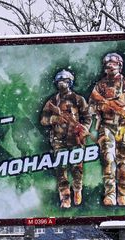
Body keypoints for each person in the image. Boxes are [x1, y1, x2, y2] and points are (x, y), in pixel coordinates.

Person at [89, 52, 125, 206]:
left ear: (120, 65)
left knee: (123, 161)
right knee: (108, 158)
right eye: (108, 63)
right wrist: (103, 105)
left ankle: (122, 194)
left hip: (124, 126)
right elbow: (91, 106)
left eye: (113, 63)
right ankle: (110, 194)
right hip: (106, 126)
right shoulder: (100, 86)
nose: (110, 65)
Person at [40, 69, 92, 208]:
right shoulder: (52, 101)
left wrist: (83, 129)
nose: (62, 84)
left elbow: (87, 117)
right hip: (59, 140)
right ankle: (65, 197)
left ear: (70, 82)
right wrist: (55, 118)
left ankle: (77, 191)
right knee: (61, 170)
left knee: (77, 169)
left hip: (76, 139)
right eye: (59, 81)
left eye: (64, 81)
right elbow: (43, 120)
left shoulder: (78, 99)